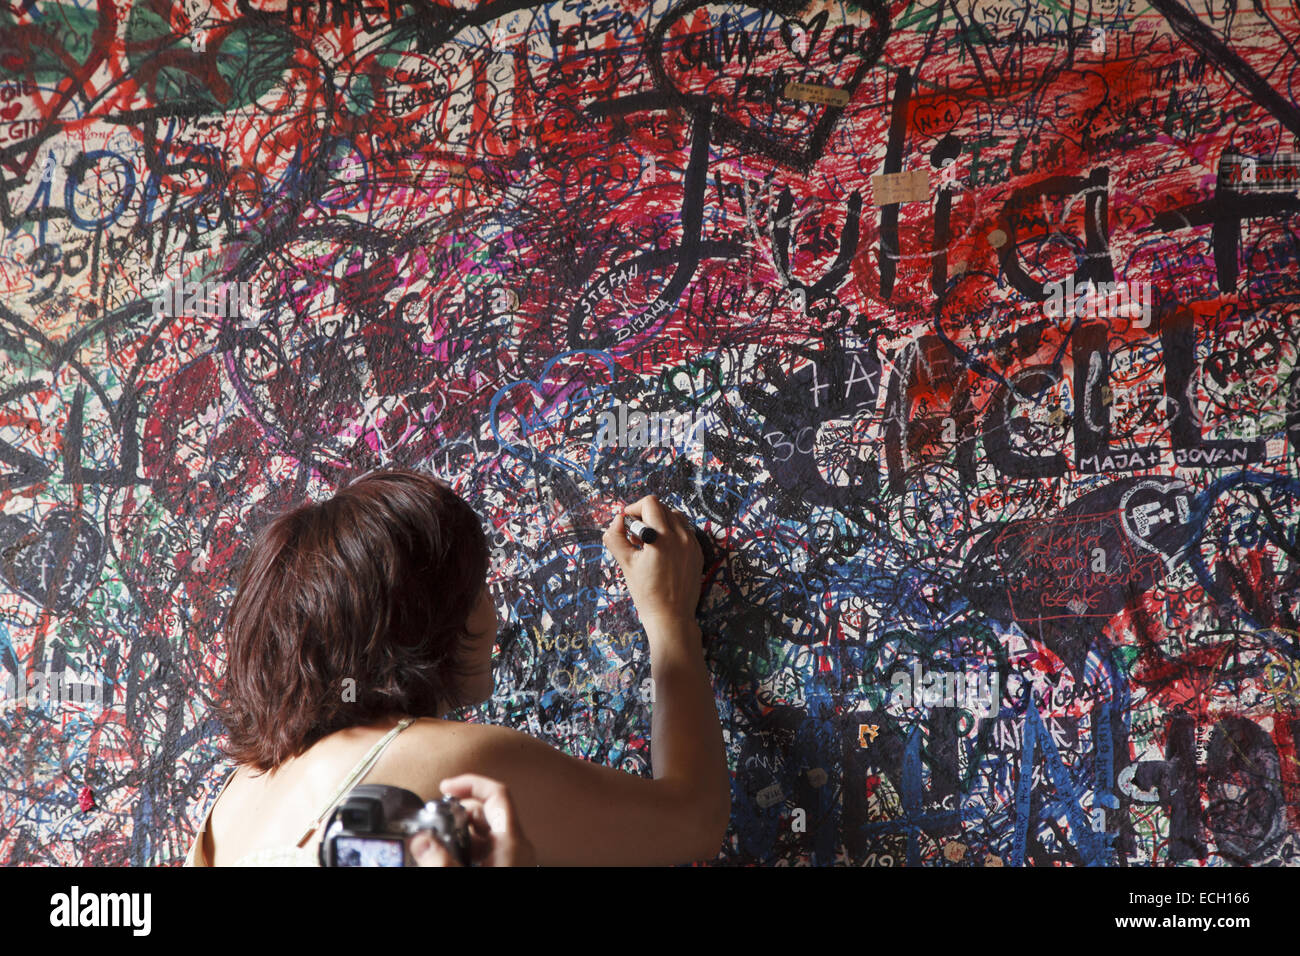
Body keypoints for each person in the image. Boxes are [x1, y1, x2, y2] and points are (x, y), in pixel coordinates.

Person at [184, 467, 728, 866]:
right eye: (479, 588)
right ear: (431, 620)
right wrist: (669, 618)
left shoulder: (230, 806)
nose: (493, 610)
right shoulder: (454, 761)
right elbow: (693, 819)